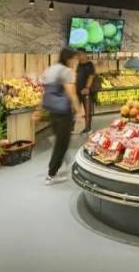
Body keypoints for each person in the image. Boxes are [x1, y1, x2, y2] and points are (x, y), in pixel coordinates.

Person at [42, 47, 82, 185]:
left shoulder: (51, 69)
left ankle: (67, 163)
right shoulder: (67, 72)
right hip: (63, 112)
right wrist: (79, 111)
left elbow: (44, 91)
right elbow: (71, 93)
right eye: (74, 58)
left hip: (52, 111)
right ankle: (51, 175)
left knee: (60, 141)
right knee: (61, 144)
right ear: (68, 59)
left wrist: (38, 110)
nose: (75, 61)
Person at [75, 48, 97, 133]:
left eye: (80, 54)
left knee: (87, 110)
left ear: (84, 54)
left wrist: (87, 88)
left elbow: (91, 76)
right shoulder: (79, 64)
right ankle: (78, 127)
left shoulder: (90, 64)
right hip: (78, 91)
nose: (78, 56)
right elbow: (77, 75)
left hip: (86, 91)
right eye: (77, 54)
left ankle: (88, 128)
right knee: (77, 110)